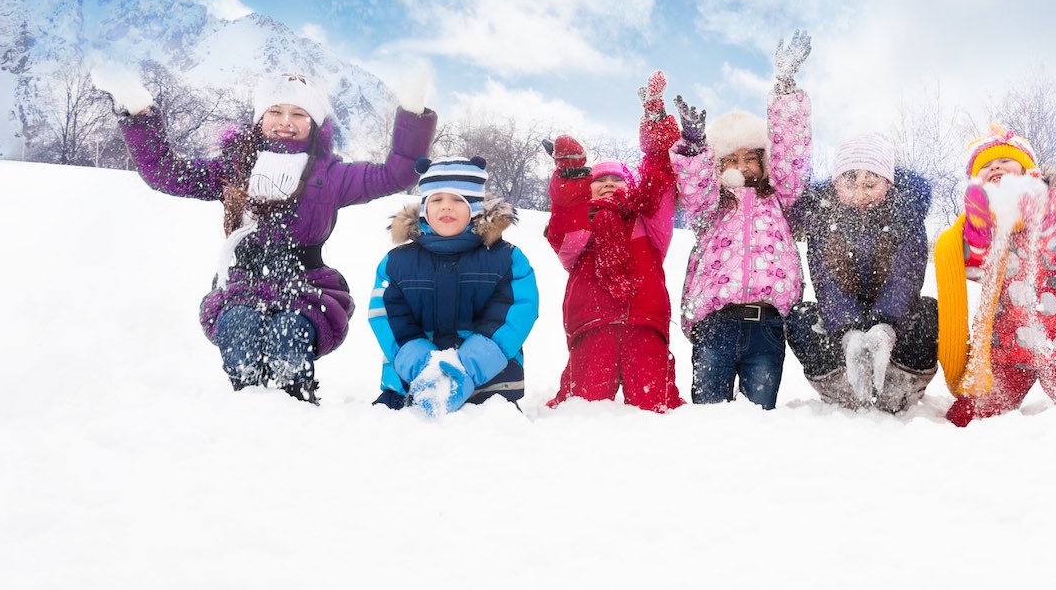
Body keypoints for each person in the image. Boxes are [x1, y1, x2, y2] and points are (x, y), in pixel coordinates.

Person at [103, 69, 436, 402]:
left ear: (315, 122)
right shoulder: (234, 168)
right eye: (275, 111)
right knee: (238, 328)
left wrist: (413, 116)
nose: (285, 121)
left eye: (298, 113)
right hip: (243, 284)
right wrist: (140, 117)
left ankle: (296, 402)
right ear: (260, 117)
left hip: (305, 285)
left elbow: (396, 174)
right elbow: (168, 174)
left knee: (288, 334)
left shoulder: (331, 175)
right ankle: (247, 406)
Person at [671, 31, 813, 409]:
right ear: (718, 166)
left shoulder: (779, 197)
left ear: (763, 162)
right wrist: (693, 146)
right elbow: (694, 182)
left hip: (766, 327)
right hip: (716, 322)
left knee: (759, 419)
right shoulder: (710, 206)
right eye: (730, 160)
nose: (742, 166)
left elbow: (790, 152)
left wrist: (784, 89)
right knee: (709, 415)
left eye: (750, 158)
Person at [934, 125, 1056, 426]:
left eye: (1004, 161)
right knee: (970, 416)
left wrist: (1042, 215)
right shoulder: (984, 218)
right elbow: (975, 270)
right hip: (1007, 345)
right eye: (987, 167)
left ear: (1026, 169)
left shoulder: (1045, 202)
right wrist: (977, 234)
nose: (996, 168)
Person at [542, 72, 684, 411]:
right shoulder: (580, 225)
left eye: (617, 179)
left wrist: (655, 120)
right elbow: (563, 227)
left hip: (644, 323)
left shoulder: (648, 222)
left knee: (658, 410)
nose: (607, 183)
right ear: (586, 188)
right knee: (581, 410)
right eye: (598, 179)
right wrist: (569, 177)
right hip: (592, 324)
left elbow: (659, 179)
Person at [367, 158, 539, 415]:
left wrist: (469, 365)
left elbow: (515, 313)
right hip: (412, 380)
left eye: (458, 200)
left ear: (476, 206)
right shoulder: (397, 262)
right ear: (424, 207)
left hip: (491, 381)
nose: (446, 206)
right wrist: (422, 365)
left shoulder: (506, 259)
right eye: (437, 200)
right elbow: (388, 316)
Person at [786, 133, 939, 413]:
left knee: (930, 310)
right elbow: (828, 285)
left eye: (871, 184)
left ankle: (898, 387)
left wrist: (885, 328)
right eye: (850, 182)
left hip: (895, 323)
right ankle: (842, 388)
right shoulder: (823, 219)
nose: (860, 194)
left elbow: (904, 279)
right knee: (800, 317)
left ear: (888, 184)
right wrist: (849, 333)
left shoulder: (906, 215)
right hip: (843, 323)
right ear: (835, 184)